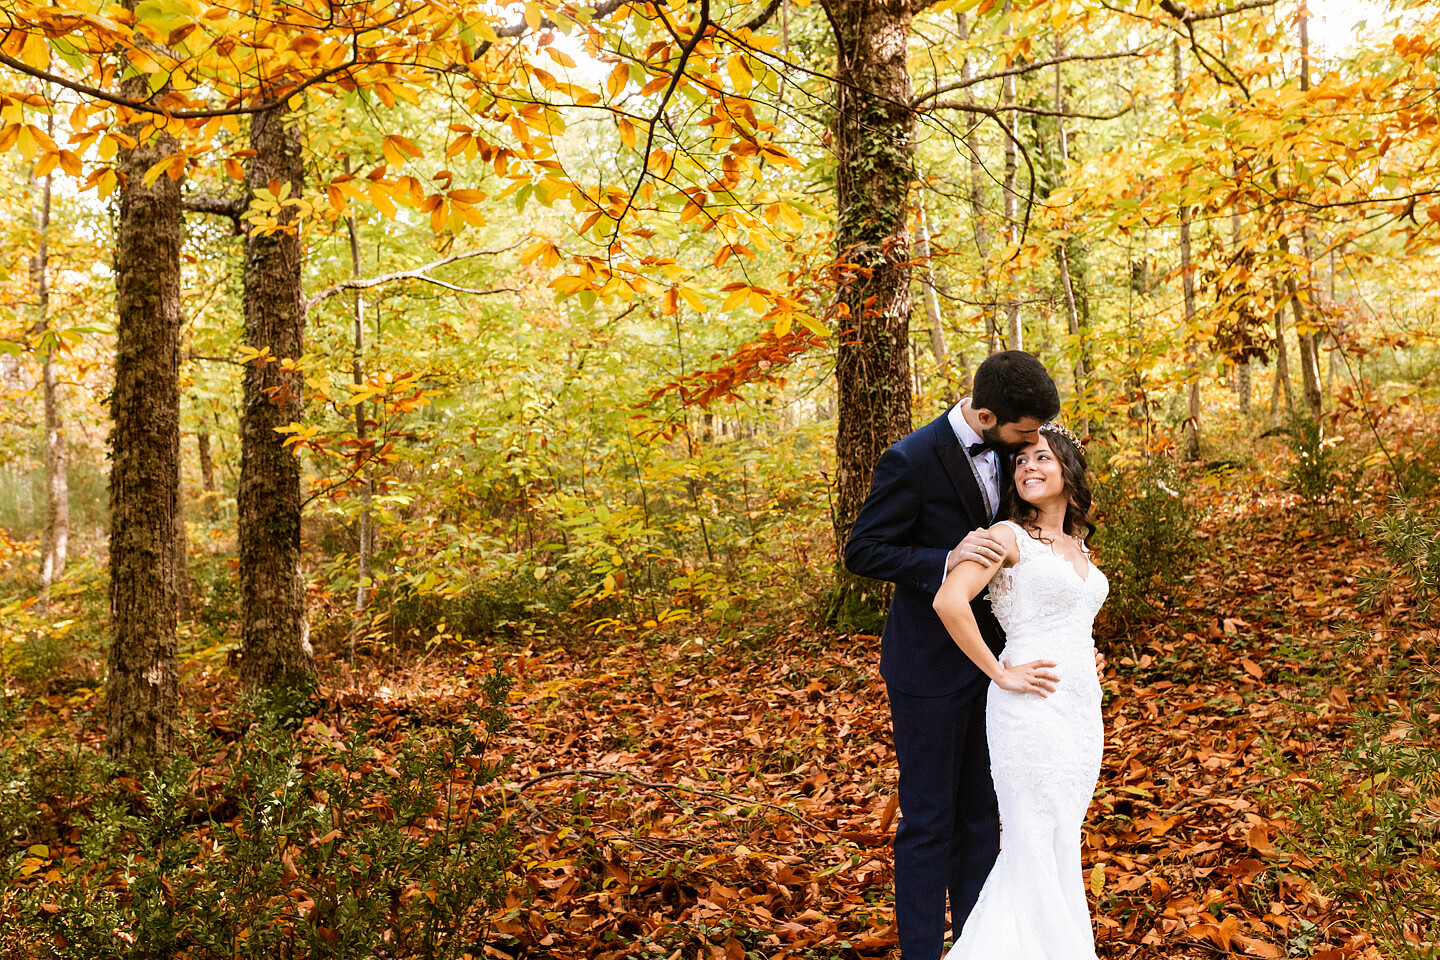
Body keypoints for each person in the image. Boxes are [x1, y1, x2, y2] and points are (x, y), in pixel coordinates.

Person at [843, 351, 1061, 960]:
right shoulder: (910, 459)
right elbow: (863, 550)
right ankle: (920, 952)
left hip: (1000, 665)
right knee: (928, 819)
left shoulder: (1017, 451)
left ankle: (976, 944)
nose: (1033, 443)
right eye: (1024, 433)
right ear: (986, 414)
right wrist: (946, 558)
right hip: (927, 668)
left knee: (980, 817)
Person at [933, 422, 1107, 959]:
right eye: (1020, 460)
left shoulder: (1078, 546)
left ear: (1068, 470)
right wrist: (1000, 672)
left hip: (1079, 711)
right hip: (1027, 709)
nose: (1028, 467)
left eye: (1042, 458)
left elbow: (1073, 618)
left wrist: (1087, 654)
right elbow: (949, 601)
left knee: (1058, 841)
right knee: (1030, 841)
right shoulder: (1007, 536)